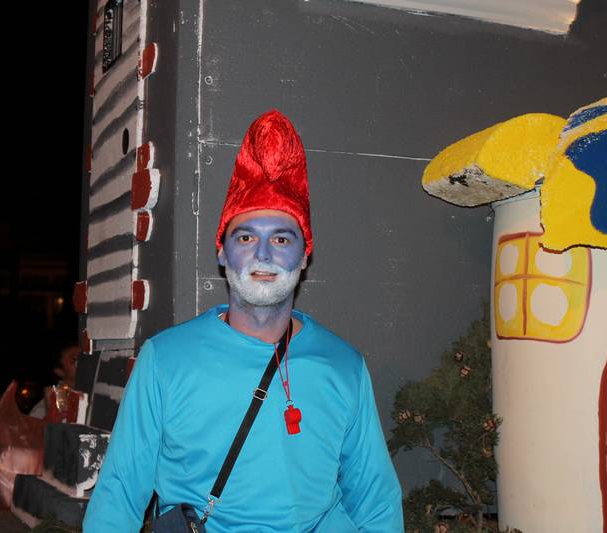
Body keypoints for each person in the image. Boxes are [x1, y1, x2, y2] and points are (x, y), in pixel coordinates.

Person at [84, 110, 403, 531]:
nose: (264, 254)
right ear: (222, 251)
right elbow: (120, 493)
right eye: (246, 236)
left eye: (282, 239)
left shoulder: (344, 365)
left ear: (304, 255)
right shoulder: (166, 360)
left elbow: (376, 502)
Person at [29, 344, 78, 419]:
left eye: (86, 357)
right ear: (59, 371)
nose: (85, 362)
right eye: (74, 360)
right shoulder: (43, 410)